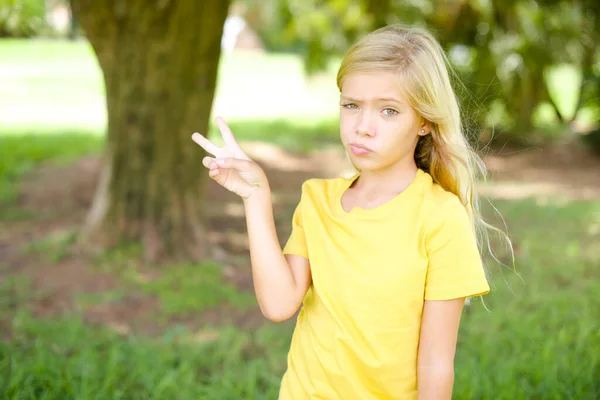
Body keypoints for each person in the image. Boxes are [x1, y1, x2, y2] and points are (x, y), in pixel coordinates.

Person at [192, 24, 508, 400]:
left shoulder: (440, 217)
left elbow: (436, 364)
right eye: (351, 105)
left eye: (388, 111)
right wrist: (255, 197)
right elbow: (278, 304)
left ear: (424, 121)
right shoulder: (317, 200)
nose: (363, 127)